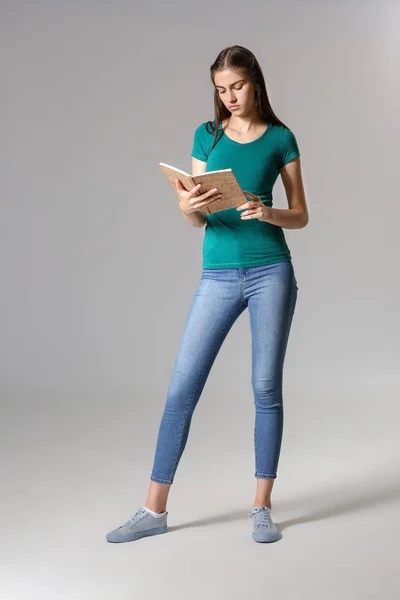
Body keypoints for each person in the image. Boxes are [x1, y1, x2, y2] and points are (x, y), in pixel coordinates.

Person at [106, 45, 309, 544]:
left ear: (255, 82)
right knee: (182, 388)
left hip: (270, 271)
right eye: (221, 89)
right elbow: (197, 218)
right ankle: (153, 511)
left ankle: (261, 507)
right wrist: (186, 205)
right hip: (217, 274)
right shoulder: (208, 134)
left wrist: (268, 212)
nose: (229, 97)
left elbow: (301, 213)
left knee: (265, 389)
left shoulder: (282, 138)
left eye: (236, 86)